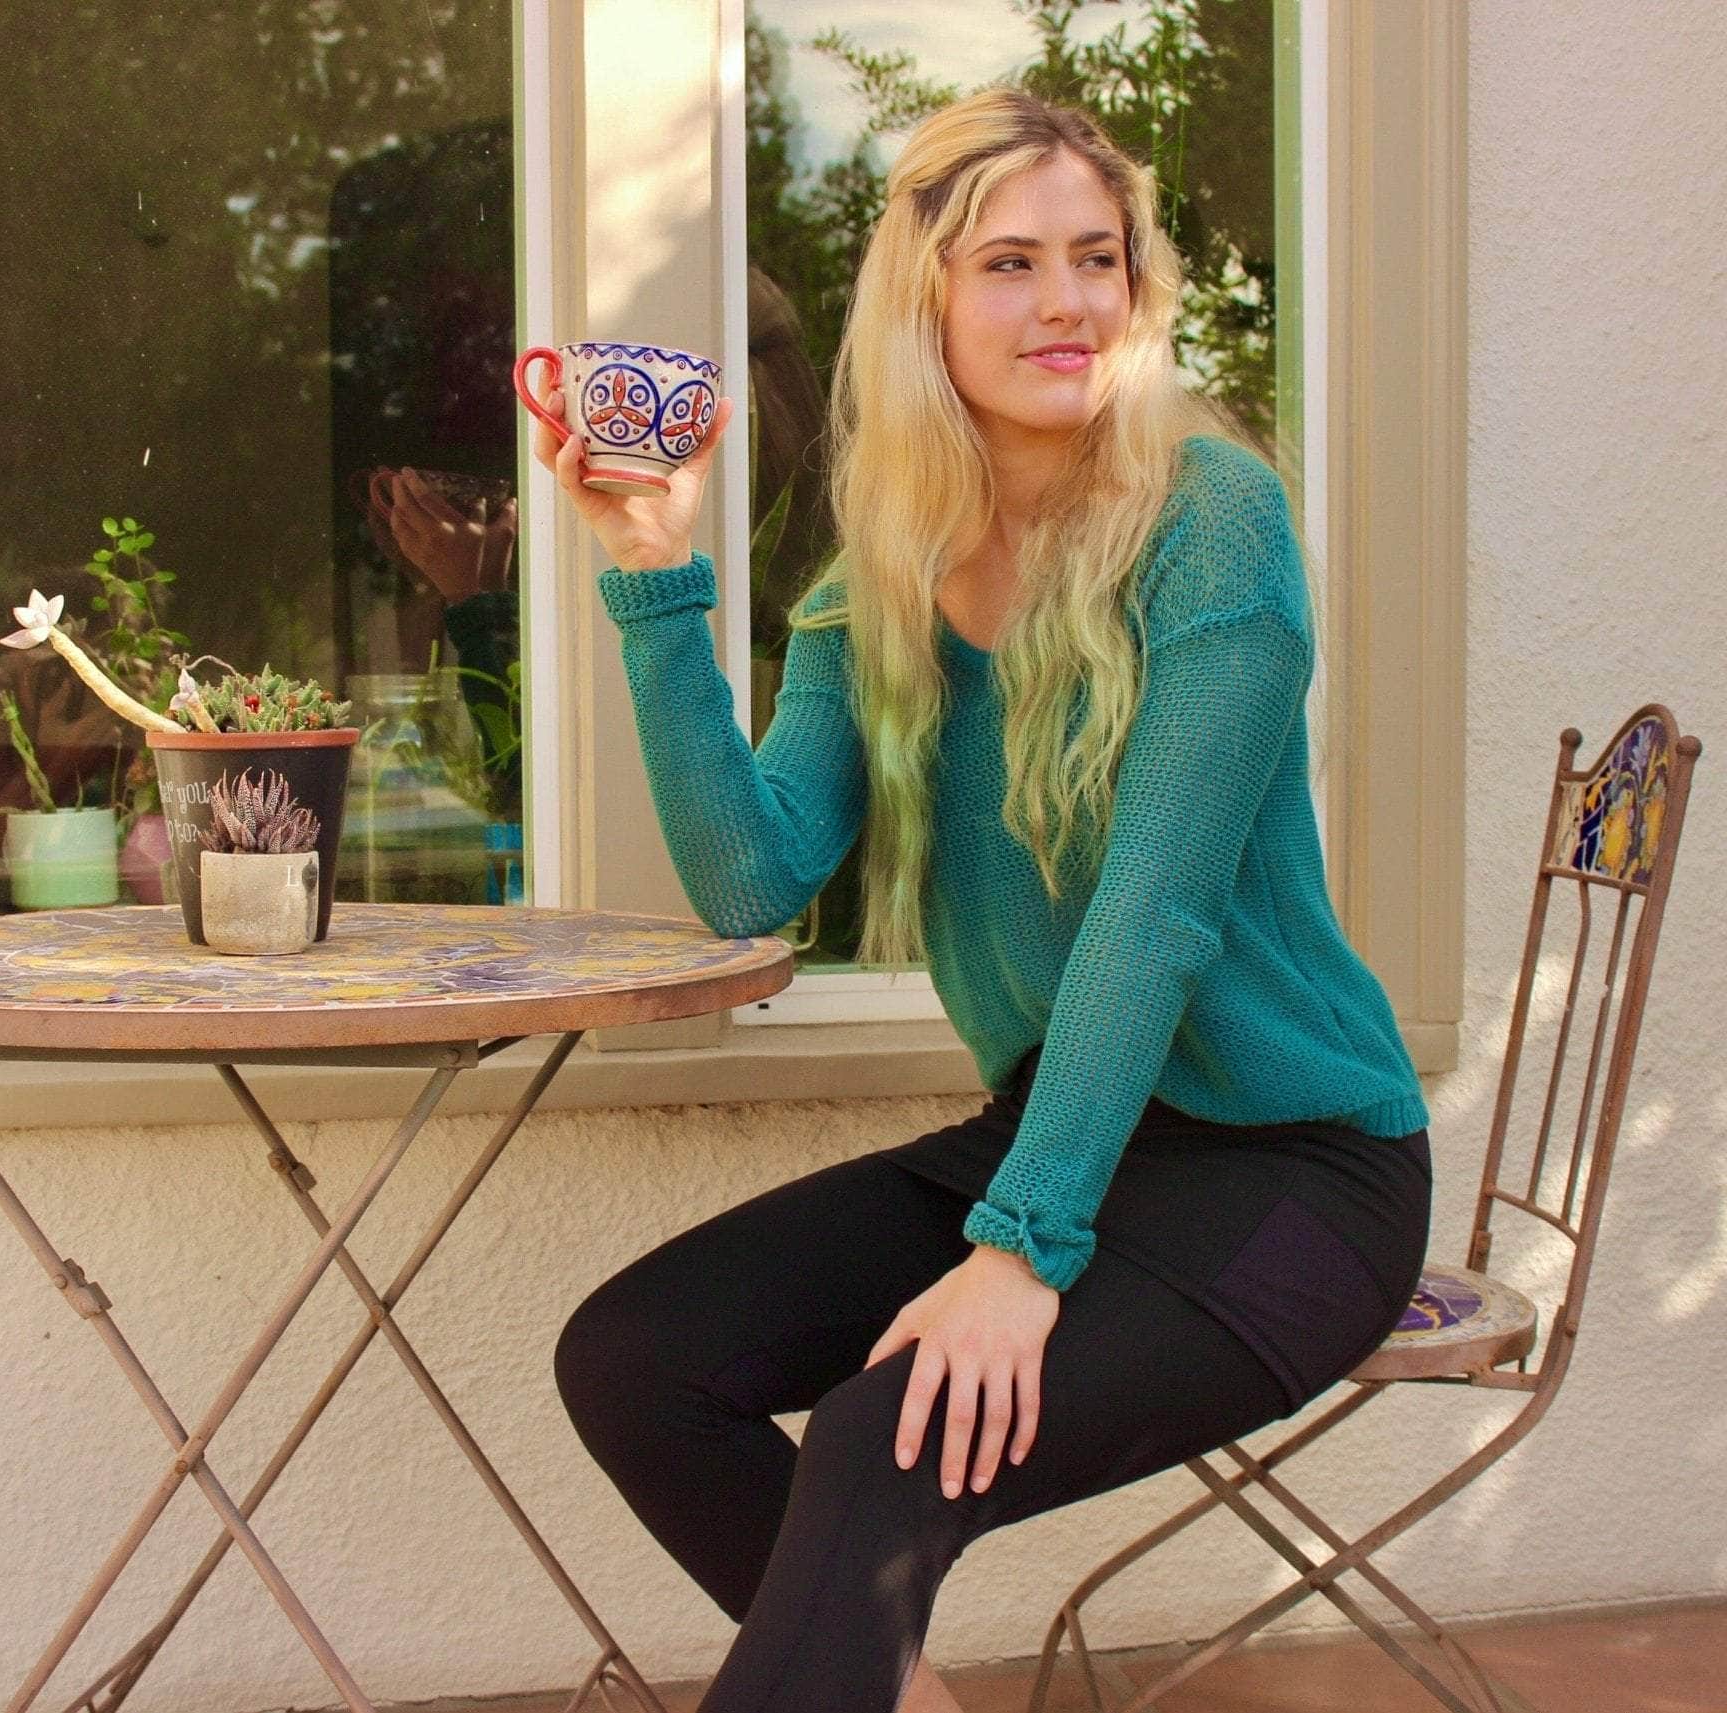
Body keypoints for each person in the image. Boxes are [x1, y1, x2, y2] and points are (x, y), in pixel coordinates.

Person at [531, 88, 1431, 1713]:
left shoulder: (1213, 524)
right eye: (1010, 262)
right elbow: (756, 875)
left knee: (893, 1433)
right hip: (1074, 1133)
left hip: (1297, 1174)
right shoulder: (889, 554)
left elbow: (1153, 915)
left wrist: (1018, 1250)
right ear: (925, 301)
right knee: (638, 1360)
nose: (1068, 300)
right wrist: (656, 573)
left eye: (1099, 256)